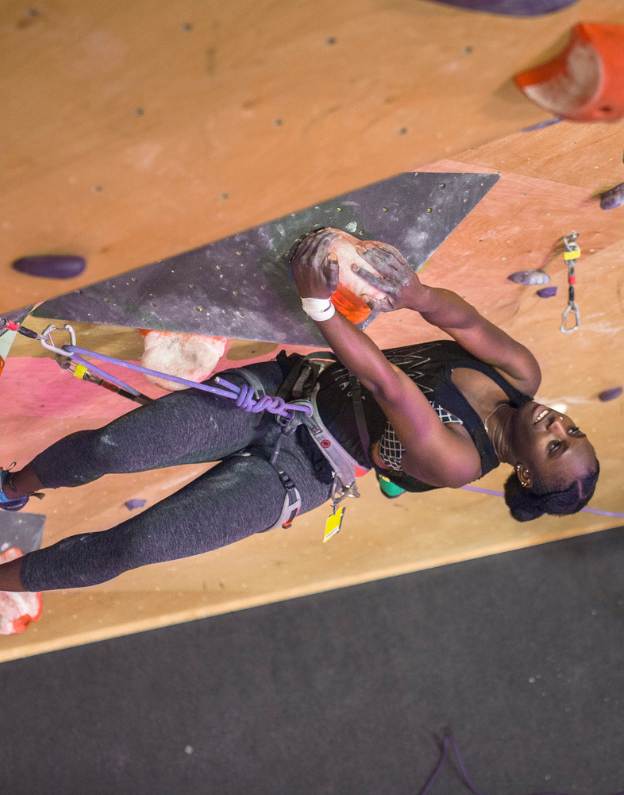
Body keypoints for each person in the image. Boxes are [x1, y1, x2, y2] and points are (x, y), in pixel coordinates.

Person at [0, 229, 599, 593]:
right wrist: (411, 291)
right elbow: (461, 320)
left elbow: (389, 385)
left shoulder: (460, 461)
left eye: (555, 446)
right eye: (571, 429)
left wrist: (318, 305)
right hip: (286, 390)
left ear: (523, 473)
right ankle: (13, 488)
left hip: (301, 475)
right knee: (114, 448)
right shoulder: (521, 373)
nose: (556, 424)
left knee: (135, 548)